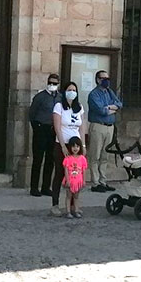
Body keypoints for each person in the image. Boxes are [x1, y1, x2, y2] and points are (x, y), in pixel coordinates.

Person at [51, 81, 84, 216]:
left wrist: (83, 146)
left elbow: (82, 127)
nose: (72, 92)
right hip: (62, 144)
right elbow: (57, 126)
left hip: (75, 145)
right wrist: (63, 145)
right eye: (69, 90)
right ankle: (55, 204)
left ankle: (73, 205)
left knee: (75, 174)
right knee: (60, 173)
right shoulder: (59, 106)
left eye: (74, 90)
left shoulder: (79, 107)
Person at [87, 70, 123, 193]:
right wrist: (112, 108)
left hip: (110, 126)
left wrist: (110, 108)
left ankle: (103, 180)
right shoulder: (94, 94)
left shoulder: (109, 92)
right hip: (98, 126)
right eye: (104, 78)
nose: (106, 80)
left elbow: (119, 104)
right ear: (98, 80)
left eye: (108, 78)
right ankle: (95, 182)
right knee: (95, 155)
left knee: (104, 155)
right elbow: (101, 111)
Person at [28, 73, 60, 197]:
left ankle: (46, 186)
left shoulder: (59, 97)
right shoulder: (40, 97)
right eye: (50, 83)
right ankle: (34, 187)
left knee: (50, 159)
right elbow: (32, 113)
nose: (52, 85)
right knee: (38, 158)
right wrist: (36, 127)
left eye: (54, 83)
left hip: (53, 130)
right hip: (41, 127)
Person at [62, 136, 88, 218]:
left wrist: (84, 180)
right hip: (70, 180)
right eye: (73, 146)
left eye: (77, 146)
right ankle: (68, 211)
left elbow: (84, 170)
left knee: (76, 197)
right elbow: (66, 170)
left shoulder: (82, 159)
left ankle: (76, 210)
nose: (75, 148)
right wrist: (67, 180)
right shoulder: (67, 159)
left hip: (78, 181)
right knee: (69, 196)